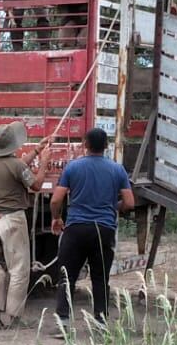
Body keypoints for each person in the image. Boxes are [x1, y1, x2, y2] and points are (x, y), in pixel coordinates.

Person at [50, 127, 133, 333]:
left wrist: (57, 218)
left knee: (67, 276)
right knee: (100, 277)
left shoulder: (73, 168)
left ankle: (63, 324)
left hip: (76, 228)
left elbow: (56, 199)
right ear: (106, 146)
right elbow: (130, 202)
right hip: (103, 230)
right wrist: (116, 208)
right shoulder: (117, 170)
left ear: (85, 145)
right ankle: (100, 323)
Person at [0, 121, 52, 329]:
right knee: (19, 270)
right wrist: (43, 163)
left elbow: (17, 166)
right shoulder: (16, 165)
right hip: (13, 220)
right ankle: (12, 316)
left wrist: (35, 150)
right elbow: (36, 184)